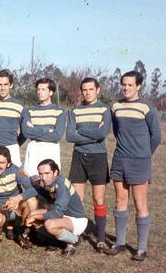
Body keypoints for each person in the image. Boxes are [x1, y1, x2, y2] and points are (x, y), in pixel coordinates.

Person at [104, 71, 161, 261]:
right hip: (120, 159)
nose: (126, 88)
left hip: (140, 162)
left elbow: (156, 136)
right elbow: (118, 131)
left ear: (138, 86)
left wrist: (143, 155)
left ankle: (141, 248)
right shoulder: (116, 106)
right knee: (120, 201)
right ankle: (120, 243)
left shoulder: (147, 107)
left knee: (140, 204)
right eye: (123, 85)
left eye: (130, 85)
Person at [66, 77, 111, 251]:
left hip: (98, 157)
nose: (87, 92)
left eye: (91, 89)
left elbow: (102, 134)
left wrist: (80, 130)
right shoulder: (75, 111)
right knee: (77, 200)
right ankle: (74, 236)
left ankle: (100, 238)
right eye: (84, 90)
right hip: (79, 157)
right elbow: (70, 136)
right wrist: (93, 132)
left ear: (98, 90)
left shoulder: (105, 109)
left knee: (98, 199)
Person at [26, 159, 88, 256]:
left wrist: (35, 217)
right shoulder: (51, 182)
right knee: (32, 213)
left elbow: (56, 213)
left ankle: (74, 240)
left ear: (55, 172)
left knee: (49, 224)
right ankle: (54, 240)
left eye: (47, 173)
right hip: (63, 214)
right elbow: (49, 197)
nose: (43, 177)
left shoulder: (62, 185)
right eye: (40, 174)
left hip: (76, 219)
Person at [0, 146, 37, 248]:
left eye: (2, 163)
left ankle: (23, 233)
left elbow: (32, 190)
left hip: (16, 205)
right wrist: (5, 205)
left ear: (8, 163)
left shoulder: (17, 170)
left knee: (32, 201)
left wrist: (18, 198)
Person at [21, 78, 65, 182]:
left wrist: (34, 130)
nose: (40, 92)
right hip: (34, 148)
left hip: (51, 148)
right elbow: (26, 132)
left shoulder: (59, 111)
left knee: (50, 185)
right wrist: (47, 130)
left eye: (43, 89)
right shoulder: (29, 111)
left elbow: (57, 135)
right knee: (32, 182)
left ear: (51, 92)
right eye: (38, 89)